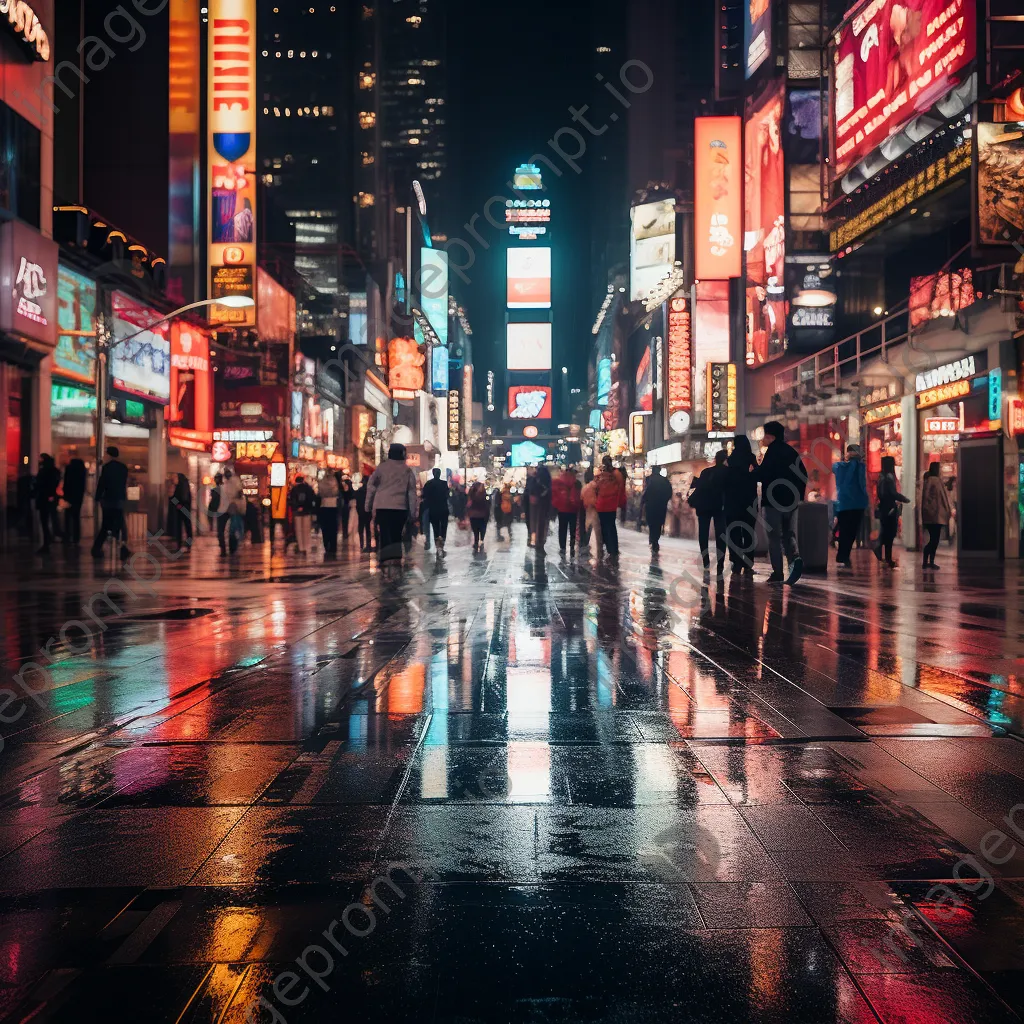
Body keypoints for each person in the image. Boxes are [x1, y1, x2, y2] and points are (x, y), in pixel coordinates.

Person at [757, 421, 805, 585]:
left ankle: (778, 572)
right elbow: (802, 474)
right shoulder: (791, 452)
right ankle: (794, 561)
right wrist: (798, 496)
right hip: (790, 502)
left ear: (770, 436)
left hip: (772, 502)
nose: (763, 438)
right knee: (788, 534)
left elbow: (763, 474)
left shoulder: (772, 452)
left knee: (774, 537)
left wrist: (755, 470)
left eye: (765, 435)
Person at [366, 443, 418, 564]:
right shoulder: (407, 471)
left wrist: (368, 506)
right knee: (397, 535)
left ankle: (384, 560)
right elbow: (411, 492)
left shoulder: (381, 468)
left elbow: (371, 486)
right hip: (400, 508)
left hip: (382, 507)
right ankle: (396, 560)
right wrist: (413, 511)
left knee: (384, 533)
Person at [688, 451, 728, 573]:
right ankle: (720, 564)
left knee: (703, 533)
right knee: (721, 534)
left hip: (704, 506)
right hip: (720, 507)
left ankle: (706, 562)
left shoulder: (706, 472)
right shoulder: (727, 472)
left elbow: (698, 486)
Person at [724, 436, 758, 574]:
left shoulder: (730, 460)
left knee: (734, 532)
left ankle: (736, 562)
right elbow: (759, 473)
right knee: (749, 532)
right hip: (749, 501)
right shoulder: (751, 459)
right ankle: (748, 564)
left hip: (732, 501)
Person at [832, 443, 868, 569]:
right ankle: (843, 555)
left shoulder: (842, 466)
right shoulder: (850, 466)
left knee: (848, 531)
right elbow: (858, 483)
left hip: (850, 504)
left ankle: (843, 555)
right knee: (849, 531)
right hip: (852, 504)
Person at [91, 446, 130, 560]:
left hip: (108, 500)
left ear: (109, 455)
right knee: (120, 524)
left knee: (105, 525)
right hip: (119, 500)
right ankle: (123, 548)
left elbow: (102, 483)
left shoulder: (107, 467)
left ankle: (97, 548)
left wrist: (97, 497)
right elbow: (123, 484)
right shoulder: (123, 468)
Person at [874, 455, 909, 567]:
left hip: (883, 507)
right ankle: (885, 555)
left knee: (885, 531)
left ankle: (882, 552)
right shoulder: (889, 477)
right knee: (890, 533)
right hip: (890, 507)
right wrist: (904, 498)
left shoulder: (881, 477)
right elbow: (893, 493)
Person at [921, 462, 952, 569]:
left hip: (934, 515)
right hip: (934, 515)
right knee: (935, 539)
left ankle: (928, 561)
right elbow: (929, 498)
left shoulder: (932, 480)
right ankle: (928, 560)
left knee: (935, 538)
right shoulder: (934, 481)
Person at [594, 456, 626, 558]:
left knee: (603, 526)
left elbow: (596, 488)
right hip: (611, 505)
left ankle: (607, 547)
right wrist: (620, 502)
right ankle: (614, 549)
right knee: (611, 526)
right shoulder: (616, 474)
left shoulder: (600, 475)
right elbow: (621, 489)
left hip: (601, 505)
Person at [640, 466, 673, 555]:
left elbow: (646, 492)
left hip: (651, 505)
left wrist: (643, 502)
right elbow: (669, 493)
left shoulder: (649, 479)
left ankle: (652, 540)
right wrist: (664, 500)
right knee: (658, 524)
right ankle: (655, 540)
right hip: (661, 506)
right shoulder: (664, 481)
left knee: (652, 523)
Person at [552, 464, 582, 558]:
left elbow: (554, 494)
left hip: (562, 508)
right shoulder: (577, 483)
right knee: (573, 528)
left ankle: (562, 547)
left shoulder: (559, 481)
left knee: (562, 528)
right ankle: (572, 546)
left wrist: (556, 505)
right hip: (573, 508)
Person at [34, 454, 60, 554]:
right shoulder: (54, 471)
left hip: (44, 499)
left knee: (44, 521)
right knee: (50, 519)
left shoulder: (45, 472)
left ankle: (47, 541)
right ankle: (50, 538)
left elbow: (40, 484)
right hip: (49, 499)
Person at [421, 468, 451, 555]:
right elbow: (447, 495)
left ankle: (438, 547)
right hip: (443, 509)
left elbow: (424, 496)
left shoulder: (428, 484)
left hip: (433, 510)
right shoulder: (444, 483)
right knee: (443, 528)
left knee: (436, 529)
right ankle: (442, 546)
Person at [288, 474, 316, 554]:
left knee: (299, 530)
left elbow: (292, 500)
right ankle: (306, 547)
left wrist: (297, 507)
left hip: (297, 512)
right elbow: (312, 499)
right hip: (307, 512)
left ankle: (301, 547)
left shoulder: (294, 489)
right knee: (306, 530)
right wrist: (305, 507)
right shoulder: (308, 489)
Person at [62, 456, 87, 547]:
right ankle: (76, 537)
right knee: (76, 516)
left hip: (69, 495)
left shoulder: (69, 469)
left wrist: (65, 495)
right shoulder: (82, 471)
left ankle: (67, 535)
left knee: (67, 516)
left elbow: (66, 483)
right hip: (78, 496)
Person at [168, 472, 193, 550]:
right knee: (180, 525)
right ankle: (180, 543)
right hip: (180, 508)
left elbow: (182, 498)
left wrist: (178, 504)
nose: (173, 479)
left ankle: (186, 543)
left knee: (186, 525)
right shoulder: (177, 486)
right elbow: (171, 497)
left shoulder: (183, 485)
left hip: (183, 508)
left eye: (174, 477)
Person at [318, 470, 339, 558]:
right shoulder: (335, 481)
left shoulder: (321, 482)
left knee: (325, 529)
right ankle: (333, 547)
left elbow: (320, 493)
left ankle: (327, 546)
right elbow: (336, 492)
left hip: (324, 506)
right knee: (333, 529)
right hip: (333, 506)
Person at [466, 479, 490, 552]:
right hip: (483, 514)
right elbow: (487, 504)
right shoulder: (484, 494)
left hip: (474, 514)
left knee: (475, 529)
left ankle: (476, 541)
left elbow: (468, 503)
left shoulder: (471, 494)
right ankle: (481, 540)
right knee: (482, 528)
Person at [533, 465, 553, 552]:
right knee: (544, 524)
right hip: (547, 505)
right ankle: (542, 541)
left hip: (538, 505)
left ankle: (539, 541)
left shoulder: (537, 482)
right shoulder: (548, 484)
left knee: (539, 523)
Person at [580, 468, 598, 555]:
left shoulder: (585, 487)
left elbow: (581, 497)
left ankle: (584, 543)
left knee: (587, 525)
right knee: (592, 526)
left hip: (587, 508)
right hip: (595, 508)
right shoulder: (596, 486)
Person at [339, 477, 356, 546]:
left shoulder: (348, 492)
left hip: (347, 508)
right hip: (345, 508)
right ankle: (345, 533)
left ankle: (346, 533)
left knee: (347, 521)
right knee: (345, 521)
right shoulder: (344, 491)